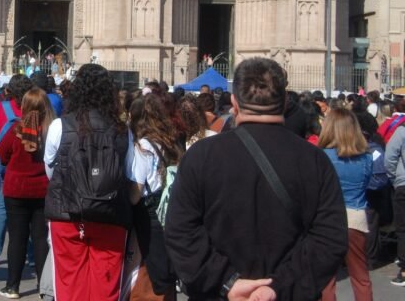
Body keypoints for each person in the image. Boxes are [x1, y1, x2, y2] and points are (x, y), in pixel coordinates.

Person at [164, 58, 347, 300]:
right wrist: (277, 287)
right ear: (284, 102)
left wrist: (228, 283)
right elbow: (330, 240)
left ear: (234, 102)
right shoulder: (315, 161)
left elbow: (180, 232)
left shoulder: (200, 157)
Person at [43, 64, 133, 301]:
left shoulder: (59, 126)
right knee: (106, 288)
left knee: (69, 287)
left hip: (67, 215)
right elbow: (130, 173)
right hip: (111, 214)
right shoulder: (124, 130)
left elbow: (50, 172)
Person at [0, 87, 54, 299]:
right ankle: (43, 286)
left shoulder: (15, 130)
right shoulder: (49, 131)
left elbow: (1, 155)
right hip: (41, 190)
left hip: (16, 190)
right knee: (40, 239)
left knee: (17, 239)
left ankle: (12, 286)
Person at [129, 94, 182, 299]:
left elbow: (136, 192)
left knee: (151, 272)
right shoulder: (170, 140)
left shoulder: (143, 145)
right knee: (166, 269)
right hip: (168, 209)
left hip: (149, 212)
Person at [317, 108, 373, 300]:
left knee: (326, 279)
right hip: (356, 216)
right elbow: (366, 184)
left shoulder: (321, 156)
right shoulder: (366, 158)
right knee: (360, 276)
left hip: (328, 219)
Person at [0, 74, 33, 266]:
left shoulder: (0, 108)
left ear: (9, 91)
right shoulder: (35, 109)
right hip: (29, 164)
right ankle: (31, 256)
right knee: (30, 212)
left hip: (5, 166)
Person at [385, 104, 405, 287]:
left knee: (403, 228)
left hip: (403, 184)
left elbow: (389, 158)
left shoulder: (401, 131)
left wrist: (395, 178)